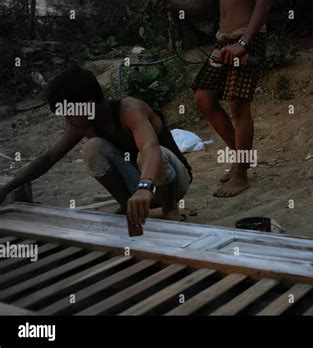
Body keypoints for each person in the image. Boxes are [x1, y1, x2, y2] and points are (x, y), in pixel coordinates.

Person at [0, 65, 192, 230]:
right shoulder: (81, 125)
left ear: (89, 105)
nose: (68, 121)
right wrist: (7, 188)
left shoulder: (129, 110)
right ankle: (127, 206)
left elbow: (151, 147)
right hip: (142, 192)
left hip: (173, 181)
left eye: (70, 113)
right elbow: (49, 158)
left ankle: (170, 209)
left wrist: (144, 187)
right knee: (93, 148)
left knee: (147, 154)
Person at [152, 0, 272, 197]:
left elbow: (264, 4)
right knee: (203, 98)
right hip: (223, 40)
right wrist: (173, 4)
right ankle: (242, 158)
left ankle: (241, 174)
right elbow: (206, 6)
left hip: (247, 39)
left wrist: (244, 42)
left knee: (238, 104)